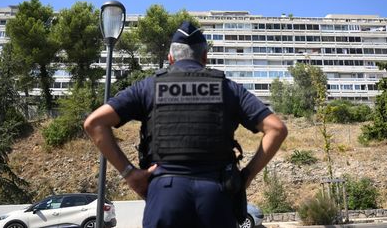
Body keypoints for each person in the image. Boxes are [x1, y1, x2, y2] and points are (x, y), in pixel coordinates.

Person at [84, 21, 287, 228]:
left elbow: (95, 123)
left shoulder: (148, 87)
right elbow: (276, 128)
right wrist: (247, 176)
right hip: (216, 195)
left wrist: (129, 173)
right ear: (205, 57)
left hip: (165, 195)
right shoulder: (229, 89)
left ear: (170, 58)